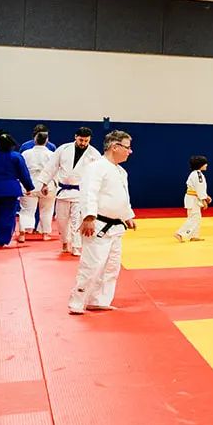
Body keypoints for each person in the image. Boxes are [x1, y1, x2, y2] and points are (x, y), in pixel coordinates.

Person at [68, 131, 136, 315]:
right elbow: (89, 192)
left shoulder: (121, 171)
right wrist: (88, 217)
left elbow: (122, 197)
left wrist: (128, 215)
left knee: (111, 267)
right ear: (115, 147)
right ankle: (77, 300)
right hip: (97, 225)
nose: (130, 151)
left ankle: (99, 300)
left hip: (115, 226)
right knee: (92, 265)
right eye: (127, 147)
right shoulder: (96, 167)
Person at [49, 128, 100, 257]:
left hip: (80, 193)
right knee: (61, 220)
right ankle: (65, 242)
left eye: (86, 141)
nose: (83, 143)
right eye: (81, 140)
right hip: (63, 192)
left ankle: (76, 246)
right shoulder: (63, 149)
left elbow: (99, 174)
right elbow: (52, 166)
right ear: (75, 137)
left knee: (77, 221)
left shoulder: (94, 154)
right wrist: (44, 183)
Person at [19, 131, 58, 241]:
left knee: (27, 210)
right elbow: (56, 171)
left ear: (34, 141)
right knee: (47, 210)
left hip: (29, 183)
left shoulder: (26, 153)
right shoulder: (52, 154)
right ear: (47, 141)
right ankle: (45, 233)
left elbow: (21, 170)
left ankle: (22, 234)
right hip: (47, 183)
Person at [175, 155, 210, 242]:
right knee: (195, 217)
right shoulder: (198, 175)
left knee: (195, 216)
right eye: (205, 164)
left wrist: (206, 196)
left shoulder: (195, 174)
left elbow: (198, 189)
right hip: (193, 198)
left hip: (192, 197)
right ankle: (180, 233)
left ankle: (193, 235)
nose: (207, 165)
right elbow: (199, 189)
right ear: (200, 165)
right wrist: (204, 199)